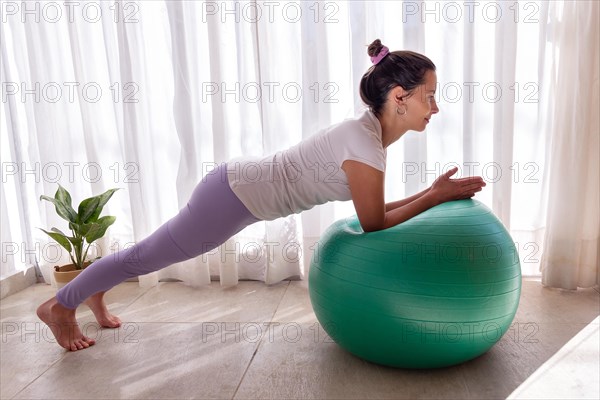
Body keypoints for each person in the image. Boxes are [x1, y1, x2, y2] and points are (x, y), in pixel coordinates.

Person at [37, 39, 486, 351]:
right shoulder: (364, 143)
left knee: (147, 253)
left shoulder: (368, 137)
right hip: (232, 197)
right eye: (430, 96)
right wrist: (432, 195)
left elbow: (369, 210)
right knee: (149, 257)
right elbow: (372, 224)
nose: (436, 107)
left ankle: (91, 290)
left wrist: (433, 192)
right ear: (400, 96)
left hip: (238, 194)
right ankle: (60, 306)